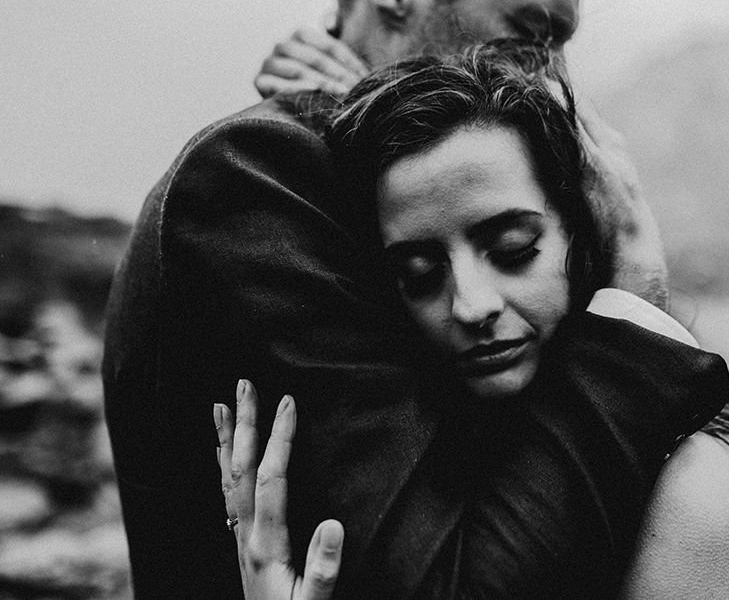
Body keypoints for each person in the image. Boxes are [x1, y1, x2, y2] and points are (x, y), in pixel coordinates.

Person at [102, 0, 725, 597]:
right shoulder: (263, 170)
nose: (551, 78)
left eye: (511, 249)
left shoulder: (364, 170)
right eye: (529, 34)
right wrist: (633, 292)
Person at [215, 45, 729, 598]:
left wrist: (637, 273)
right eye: (419, 273)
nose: (470, 305)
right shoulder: (429, 482)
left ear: (585, 239)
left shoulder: (696, 490)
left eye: (513, 250)